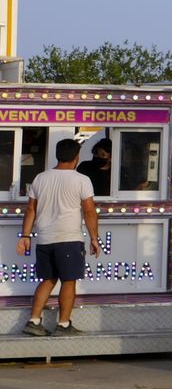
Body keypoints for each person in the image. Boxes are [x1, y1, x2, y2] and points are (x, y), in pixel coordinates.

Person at [17, 138, 101, 337]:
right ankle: (63, 325)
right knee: (69, 281)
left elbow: (31, 209)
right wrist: (94, 239)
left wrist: (26, 235)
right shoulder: (82, 180)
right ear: (77, 157)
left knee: (48, 279)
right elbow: (89, 211)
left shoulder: (40, 178)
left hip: (44, 239)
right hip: (69, 239)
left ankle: (34, 321)